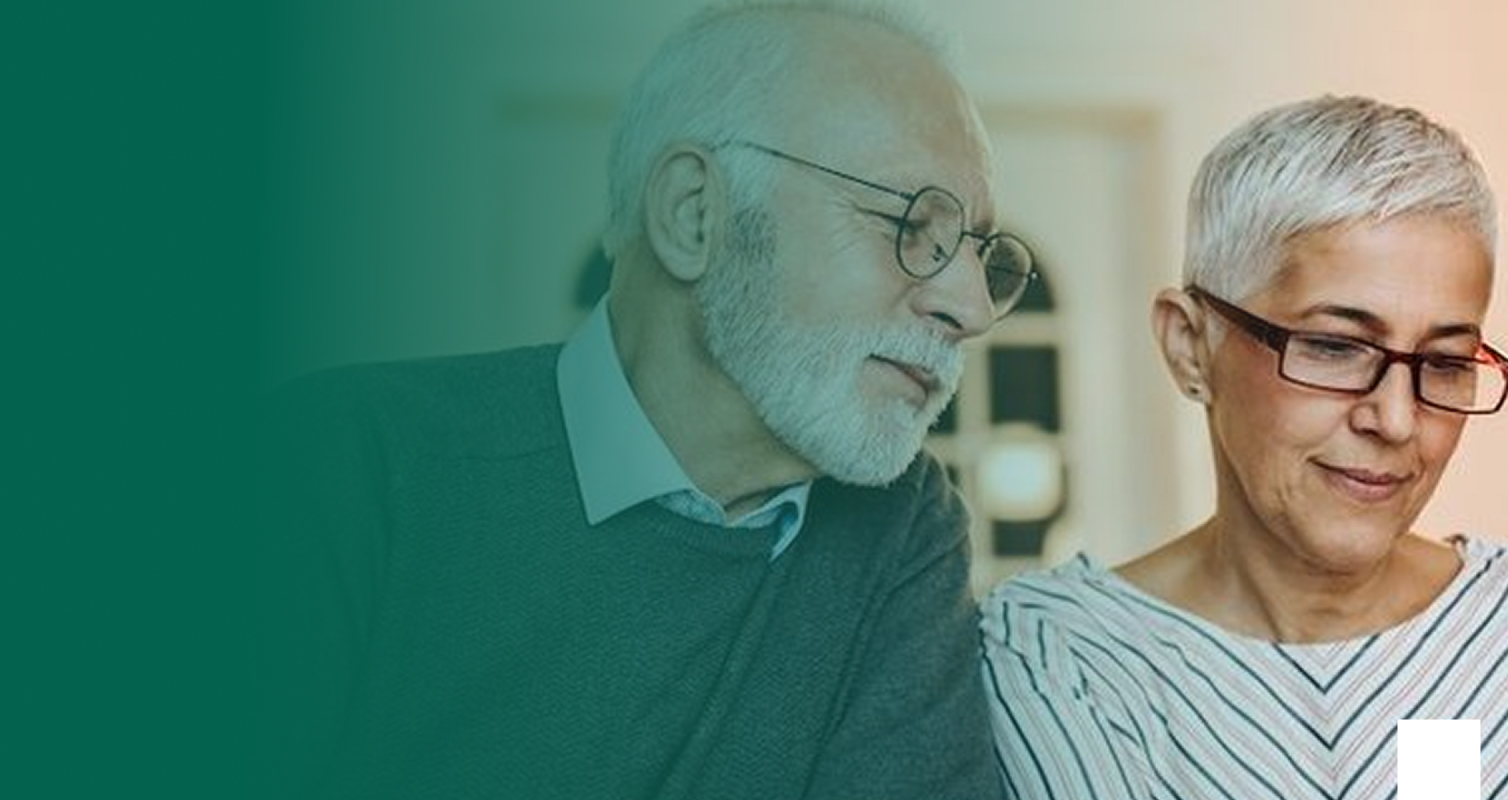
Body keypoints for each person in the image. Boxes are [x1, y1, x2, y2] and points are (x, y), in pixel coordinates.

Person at [282, 3, 1035, 798]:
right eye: (912, 224)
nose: (972, 309)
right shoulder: (346, 467)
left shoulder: (903, 528)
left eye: (981, 256)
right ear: (693, 214)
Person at [979, 95, 1508, 799]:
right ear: (1190, 346)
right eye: (1336, 347)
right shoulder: (1052, 656)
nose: (1398, 420)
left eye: (1444, 361)